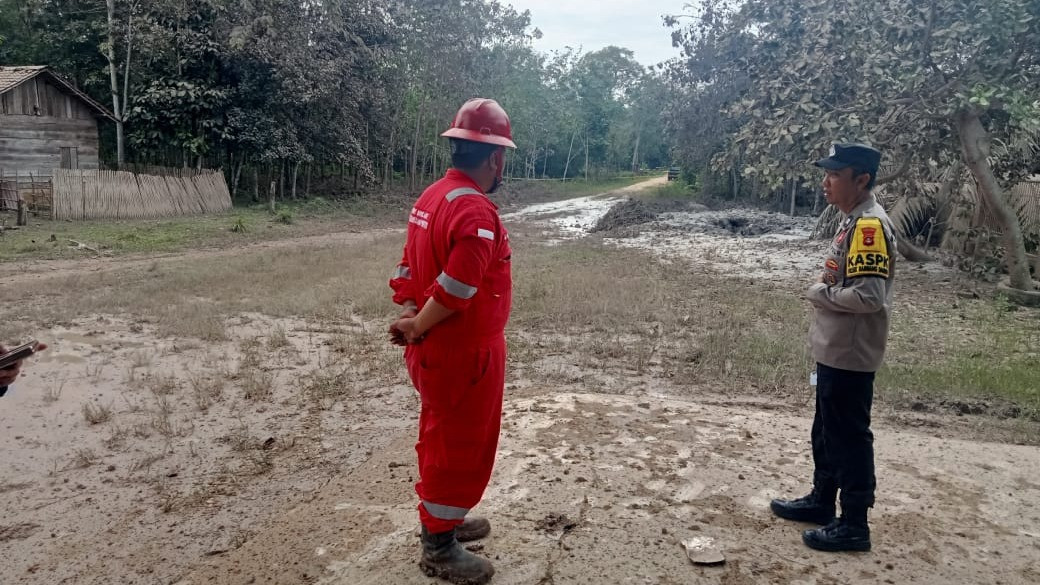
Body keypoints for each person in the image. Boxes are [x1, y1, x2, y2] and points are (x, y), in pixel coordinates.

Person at [388, 98, 516, 584]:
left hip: (435, 349)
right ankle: (438, 545)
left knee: (443, 434)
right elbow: (458, 289)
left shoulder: (431, 198)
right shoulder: (476, 211)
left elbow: (407, 267)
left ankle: (449, 517)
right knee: (458, 443)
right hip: (462, 350)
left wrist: (408, 313)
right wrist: (419, 323)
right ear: (494, 158)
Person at [770, 143, 897, 552]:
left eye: (835, 175)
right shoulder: (853, 221)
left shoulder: (870, 227)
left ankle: (854, 523)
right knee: (825, 429)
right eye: (826, 174)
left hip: (851, 354)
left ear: (862, 180)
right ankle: (822, 500)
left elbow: (868, 298)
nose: (825, 182)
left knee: (848, 436)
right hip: (834, 350)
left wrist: (819, 294)